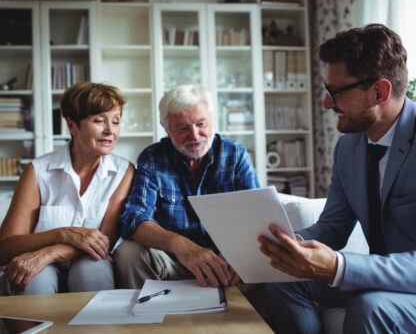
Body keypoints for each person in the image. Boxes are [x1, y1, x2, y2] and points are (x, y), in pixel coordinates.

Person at [258, 23, 416, 334]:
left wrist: (339, 266)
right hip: (378, 278)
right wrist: (292, 245)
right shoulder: (348, 146)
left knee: (371, 306)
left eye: (337, 92)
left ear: (379, 91)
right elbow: (333, 226)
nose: (327, 104)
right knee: (283, 277)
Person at [114, 84, 260, 289]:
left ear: (213, 120)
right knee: (128, 253)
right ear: (166, 129)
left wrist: (239, 250)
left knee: (263, 258)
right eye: (183, 128)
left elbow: (257, 215)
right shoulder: (153, 158)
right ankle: (148, 318)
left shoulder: (235, 155)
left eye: (201, 124)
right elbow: (135, 220)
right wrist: (181, 246)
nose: (194, 135)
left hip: (228, 261)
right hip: (174, 261)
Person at [0, 81, 134, 295]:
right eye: (99, 121)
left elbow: (104, 242)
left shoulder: (123, 172)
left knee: (92, 270)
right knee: (34, 279)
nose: (110, 130)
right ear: (72, 126)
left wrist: (51, 253)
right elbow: (5, 247)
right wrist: (62, 234)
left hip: (89, 262)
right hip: (38, 267)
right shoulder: (38, 171)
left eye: (116, 121)